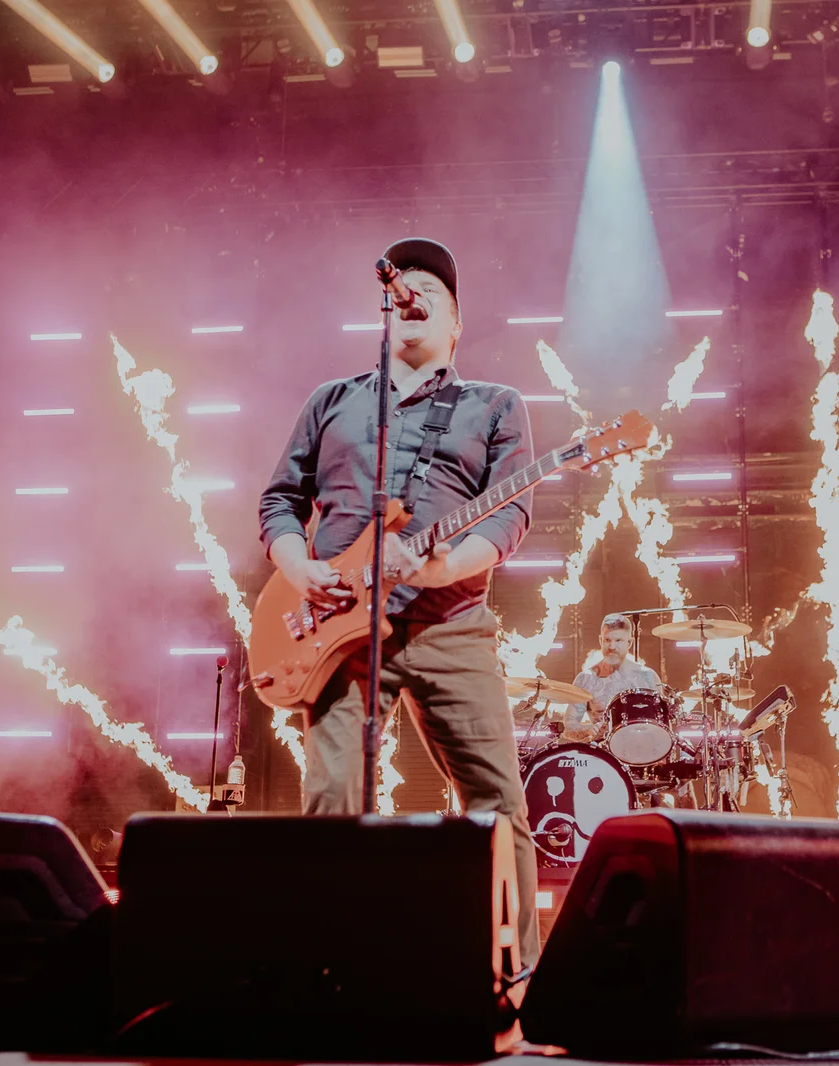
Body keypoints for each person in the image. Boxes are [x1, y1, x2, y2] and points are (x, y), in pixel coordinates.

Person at [258, 237, 540, 968]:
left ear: (456, 322)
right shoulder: (334, 401)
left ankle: (517, 984)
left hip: (452, 622)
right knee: (333, 801)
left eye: (431, 291)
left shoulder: (495, 406)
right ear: (387, 312)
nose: (412, 296)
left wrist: (449, 563)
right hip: (337, 629)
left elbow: (509, 520)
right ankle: (332, 976)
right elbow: (281, 500)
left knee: (498, 807)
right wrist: (299, 566)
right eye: (402, 288)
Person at [566, 613, 663, 738]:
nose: (611, 647)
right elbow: (568, 727)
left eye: (618, 640)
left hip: (642, 751)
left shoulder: (648, 677)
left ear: (630, 642)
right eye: (607, 640)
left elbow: (663, 725)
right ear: (600, 640)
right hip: (603, 754)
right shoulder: (586, 679)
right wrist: (589, 730)